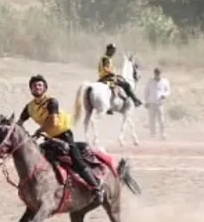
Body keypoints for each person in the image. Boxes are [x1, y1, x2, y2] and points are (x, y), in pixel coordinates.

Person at [17, 75, 105, 204]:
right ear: (31, 89)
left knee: (76, 161)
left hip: (64, 135)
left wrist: (39, 131)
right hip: (49, 138)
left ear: (45, 88)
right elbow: (19, 123)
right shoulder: (29, 107)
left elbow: (53, 121)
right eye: (34, 85)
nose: (37, 87)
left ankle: (96, 188)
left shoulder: (52, 101)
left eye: (40, 85)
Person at [97, 43, 142, 113]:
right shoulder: (106, 58)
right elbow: (106, 68)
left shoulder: (104, 58)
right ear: (109, 50)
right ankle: (135, 100)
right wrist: (113, 73)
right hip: (108, 78)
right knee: (127, 85)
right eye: (113, 51)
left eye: (114, 51)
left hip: (102, 78)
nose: (114, 52)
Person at [143, 67, 171, 140]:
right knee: (151, 120)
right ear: (154, 74)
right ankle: (153, 134)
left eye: (159, 74)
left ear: (161, 74)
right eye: (156, 74)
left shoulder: (164, 81)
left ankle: (163, 134)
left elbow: (168, 91)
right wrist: (146, 101)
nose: (157, 75)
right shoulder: (150, 81)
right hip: (151, 103)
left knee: (161, 119)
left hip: (160, 103)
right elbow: (146, 92)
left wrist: (164, 95)